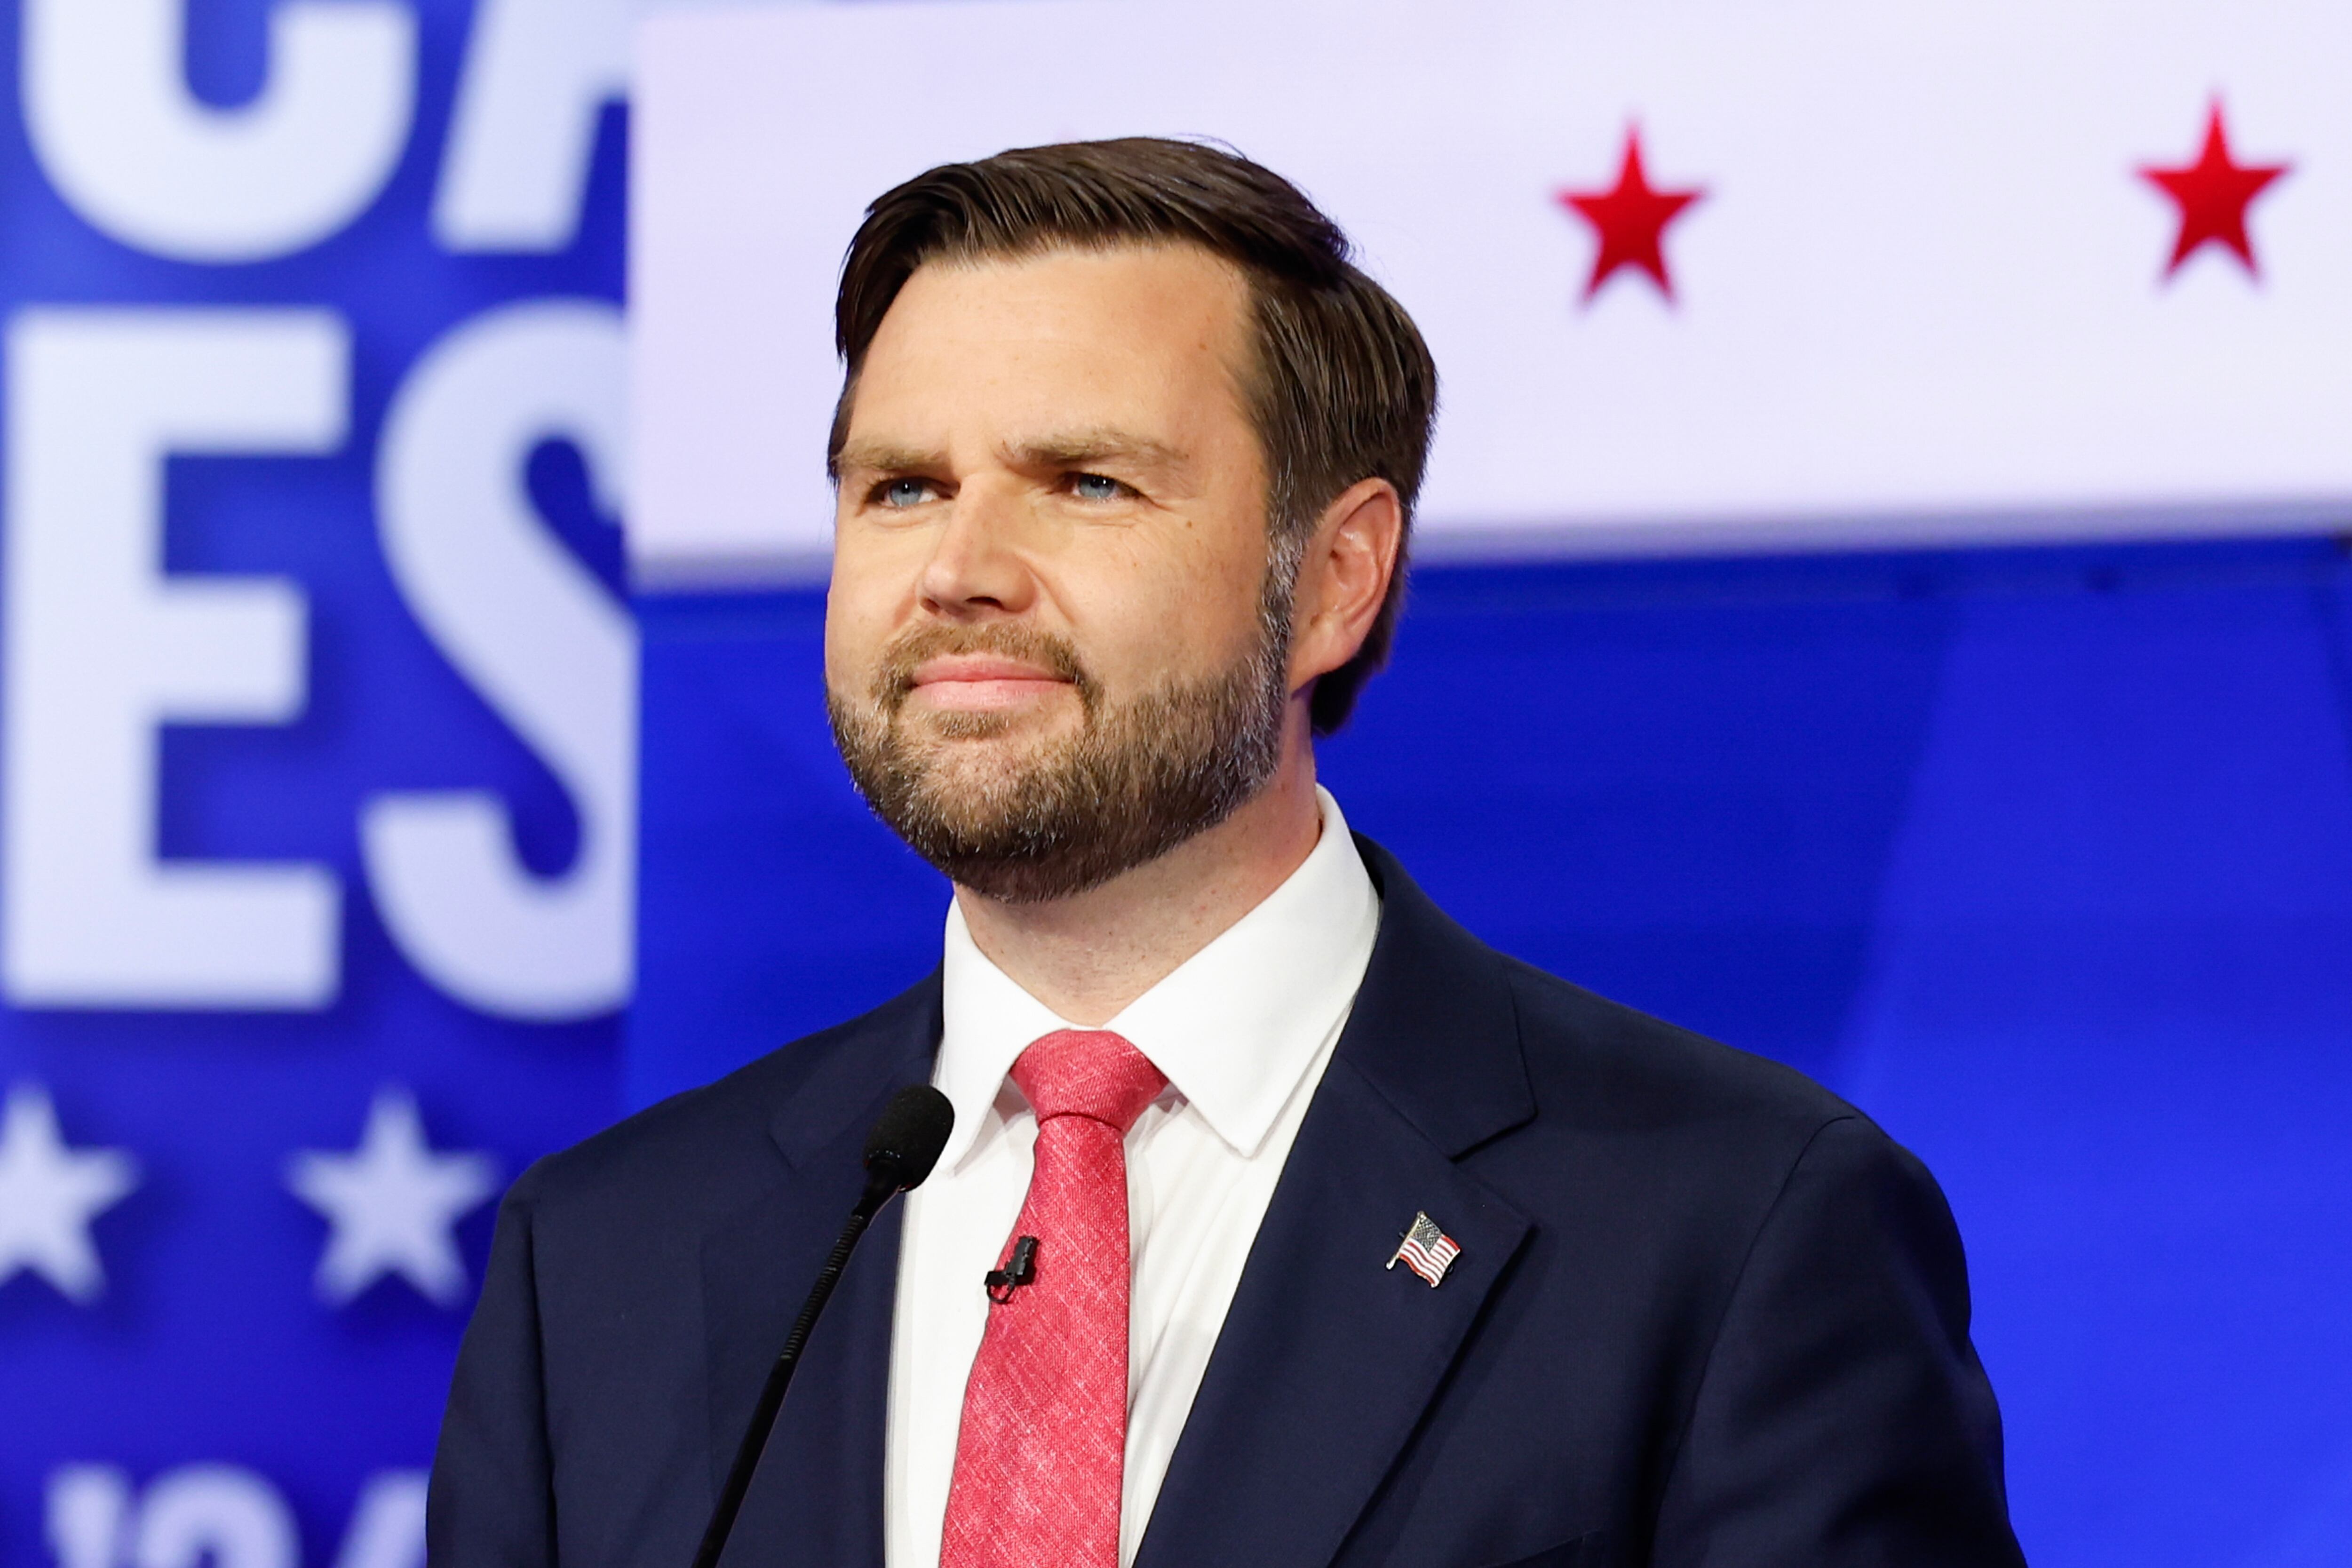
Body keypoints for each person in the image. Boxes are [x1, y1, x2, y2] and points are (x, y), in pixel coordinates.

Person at [428, 138, 2026, 1568]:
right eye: (901, 487)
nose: (963, 569)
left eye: (1089, 484)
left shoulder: (1733, 1231)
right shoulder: (603, 1266)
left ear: (1337, 578)